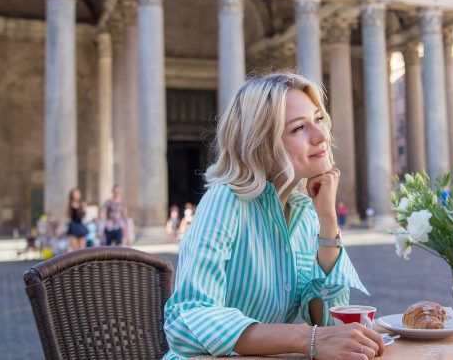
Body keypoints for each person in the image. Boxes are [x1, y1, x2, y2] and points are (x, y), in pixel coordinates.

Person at [163, 73, 384, 359]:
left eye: (318, 119)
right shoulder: (226, 200)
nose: (321, 136)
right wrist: (307, 337)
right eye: (298, 128)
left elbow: (328, 322)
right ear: (261, 143)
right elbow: (187, 319)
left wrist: (328, 222)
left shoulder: (304, 212)